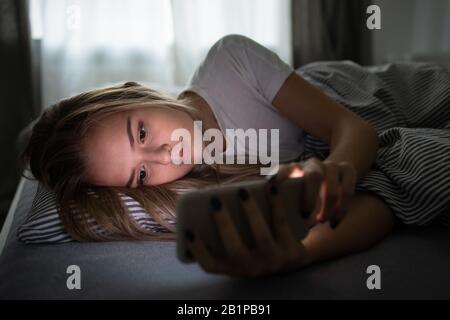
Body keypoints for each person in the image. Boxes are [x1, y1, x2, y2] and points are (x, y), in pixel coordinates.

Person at [19, 34, 450, 277]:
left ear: (134, 90)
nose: (164, 154)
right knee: (404, 169)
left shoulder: (231, 62)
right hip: (343, 153)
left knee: (399, 151)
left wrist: (338, 169)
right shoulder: (193, 186)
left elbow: (354, 130)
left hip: (381, 98)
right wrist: (299, 250)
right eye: (142, 174)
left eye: (142, 131)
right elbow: (378, 198)